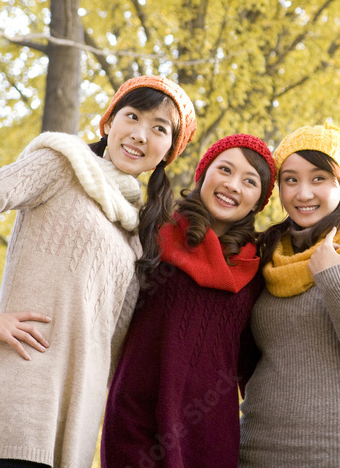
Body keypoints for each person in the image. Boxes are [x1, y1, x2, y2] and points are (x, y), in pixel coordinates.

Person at [0, 76, 197, 468]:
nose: (141, 135)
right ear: (109, 123)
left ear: (167, 151)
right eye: (133, 116)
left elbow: (115, 345)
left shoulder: (135, 233)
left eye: (159, 129)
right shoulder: (62, 164)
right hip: (16, 408)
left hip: (74, 433)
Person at [101, 134, 276, 468]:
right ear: (203, 174)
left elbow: (254, 368)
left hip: (212, 437)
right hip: (136, 422)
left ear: (258, 201)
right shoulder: (153, 235)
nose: (233, 185)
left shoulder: (256, 273)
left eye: (249, 181)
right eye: (224, 170)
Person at [238, 122, 340, 467]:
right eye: (290, 179)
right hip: (256, 447)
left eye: (318, 178)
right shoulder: (266, 251)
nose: (303, 193)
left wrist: (331, 281)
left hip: (332, 452)